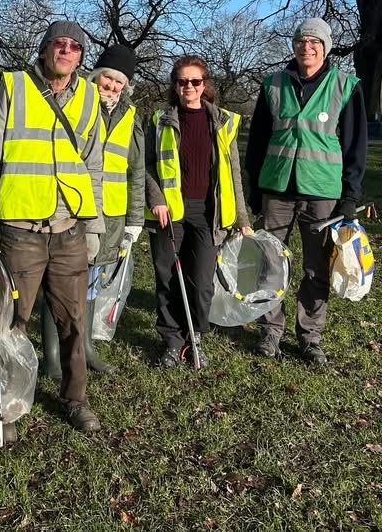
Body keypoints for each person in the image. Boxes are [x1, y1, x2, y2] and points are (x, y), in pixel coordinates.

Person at [0, 20, 105, 440]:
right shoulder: (14, 86)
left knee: (73, 323)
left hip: (69, 228)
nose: (65, 52)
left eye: (74, 47)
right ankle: (6, 404)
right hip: (19, 229)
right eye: (58, 44)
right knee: (13, 322)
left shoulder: (88, 95)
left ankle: (74, 399)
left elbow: (95, 165)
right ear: (45, 49)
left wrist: (95, 225)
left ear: (81, 56)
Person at [246, 18, 367, 364]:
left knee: (317, 268)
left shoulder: (345, 86)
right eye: (301, 41)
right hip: (277, 188)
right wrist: (256, 187)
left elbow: (355, 147)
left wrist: (350, 197)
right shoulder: (273, 85)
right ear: (294, 46)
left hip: (322, 192)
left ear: (326, 47)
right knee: (270, 263)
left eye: (315, 41)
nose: (307, 47)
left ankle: (310, 337)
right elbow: (257, 142)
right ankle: (270, 331)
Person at [40, 45, 144, 376]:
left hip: (111, 216)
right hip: (73, 210)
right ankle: (53, 356)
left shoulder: (130, 116)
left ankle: (84, 347)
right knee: (59, 282)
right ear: (96, 77)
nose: (111, 86)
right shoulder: (75, 103)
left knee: (92, 283)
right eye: (107, 78)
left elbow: (137, 171)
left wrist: (135, 220)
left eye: (118, 82)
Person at [145, 55, 251, 368]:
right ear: (174, 86)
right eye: (182, 81)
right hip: (170, 213)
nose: (189, 87)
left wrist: (242, 219)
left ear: (205, 85)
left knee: (201, 283)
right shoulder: (159, 119)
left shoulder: (223, 121)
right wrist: (156, 198)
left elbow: (233, 174)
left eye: (195, 81)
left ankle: (195, 340)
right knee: (168, 279)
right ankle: (171, 342)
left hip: (209, 214)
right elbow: (147, 164)